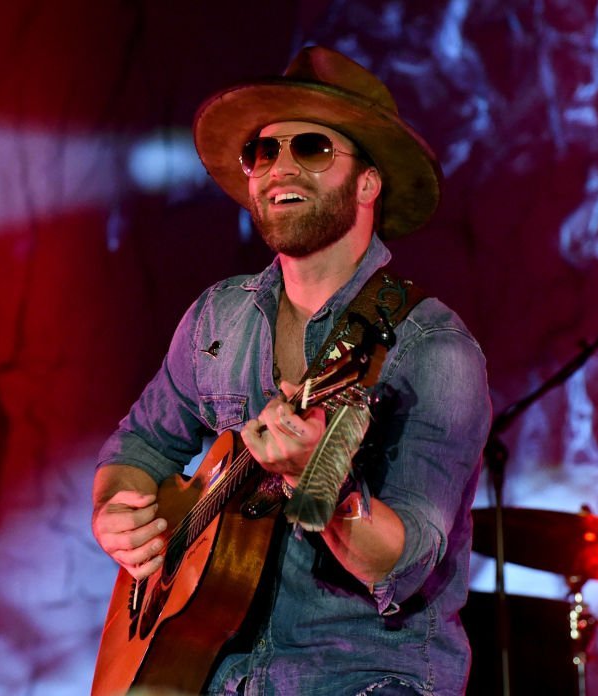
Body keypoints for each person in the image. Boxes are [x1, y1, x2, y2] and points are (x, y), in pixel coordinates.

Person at [92, 45, 491, 695]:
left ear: (367, 183)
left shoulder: (433, 349)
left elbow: (404, 560)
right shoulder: (217, 316)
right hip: (211, 678)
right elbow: (139, 444)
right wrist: (117, 511)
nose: (279, 166)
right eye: (263, 151)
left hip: (359, 677)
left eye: (311, 147)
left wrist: (322, 486)